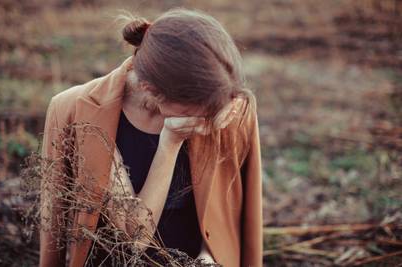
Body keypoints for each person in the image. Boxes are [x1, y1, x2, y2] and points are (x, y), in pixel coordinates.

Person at [39, 7, 263, 267]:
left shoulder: (229, 104)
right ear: (151, 89)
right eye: (198, 113)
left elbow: (239, 216)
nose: (213, 119)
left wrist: (209, 257)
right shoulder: (77, 110)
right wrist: (170, 143)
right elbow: (132, 237)